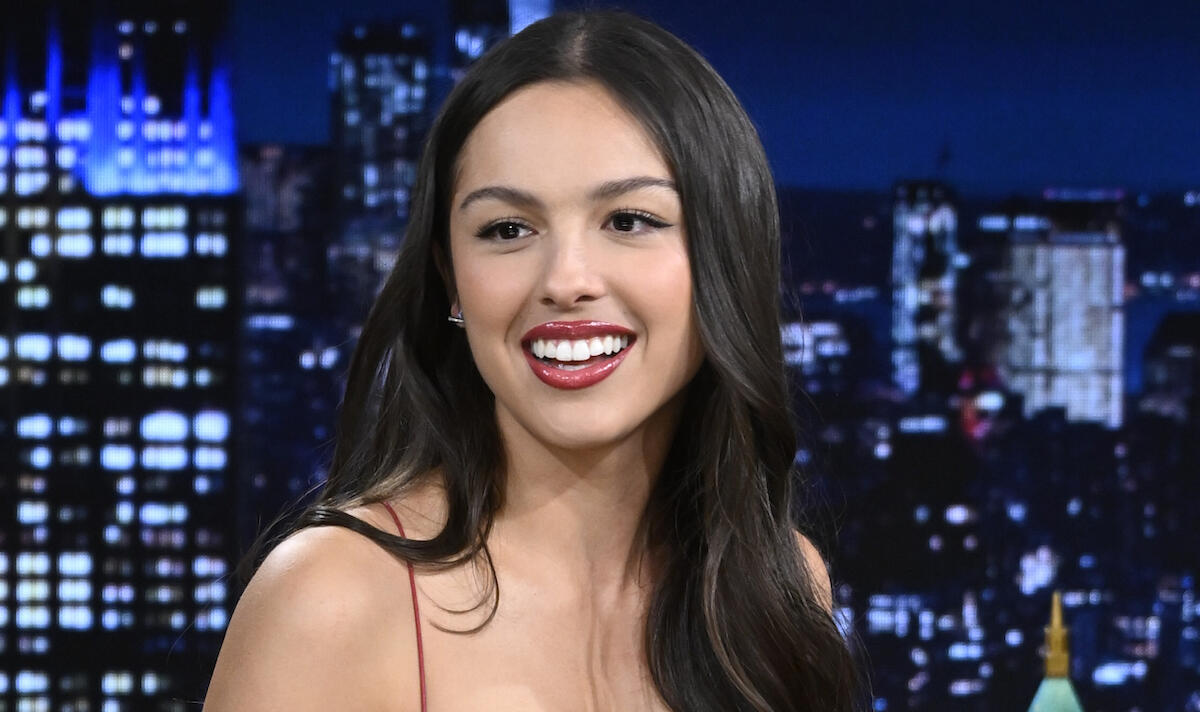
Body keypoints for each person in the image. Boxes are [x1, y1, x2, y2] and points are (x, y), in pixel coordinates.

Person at [203, 10, 862, 712]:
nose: (565, 279)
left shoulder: (775, 588)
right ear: (451, 277)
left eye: (629, 220)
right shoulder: (331, 598)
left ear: (725, 255)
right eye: (507, 229)